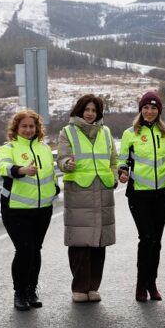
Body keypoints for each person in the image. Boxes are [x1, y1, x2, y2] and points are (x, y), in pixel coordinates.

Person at [119, 91, 165, 302]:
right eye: (146, 107)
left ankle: (152, 283)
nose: (150, 111)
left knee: (157, 241)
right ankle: (140, 285)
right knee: (147, 238)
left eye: (153, 108)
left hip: (162, 193)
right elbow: (122, 159)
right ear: (140, 110)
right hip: (138, 194)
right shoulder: (130, 133)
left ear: (159, 111)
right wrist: (123, 172)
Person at [57, 94, 118, 303]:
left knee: (99, 242)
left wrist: (114, 176)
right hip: (79, 193)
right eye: (87, 110)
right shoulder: (68, 132)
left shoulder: (106, 132)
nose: (90, 114)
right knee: (80, 242)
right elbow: (62, 158)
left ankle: (93, 286)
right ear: (80, 110)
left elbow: (113, 160)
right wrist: (67, 164)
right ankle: (79, 287)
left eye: (94, 110)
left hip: (103, 191)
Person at [0, 109, 57, 311]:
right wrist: (20, 170)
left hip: (42, 209)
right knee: (24, 250)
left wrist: (55, 188)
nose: (28, 129)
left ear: (37, 128)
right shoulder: (9, 148)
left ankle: (31, 290)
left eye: (32, 126)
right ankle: (20, 293)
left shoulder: (45, 149)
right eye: (24, 126)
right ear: (16, 128)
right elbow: (3, 167)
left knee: (36, 250)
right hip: (16, 209)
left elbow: (51, 174)